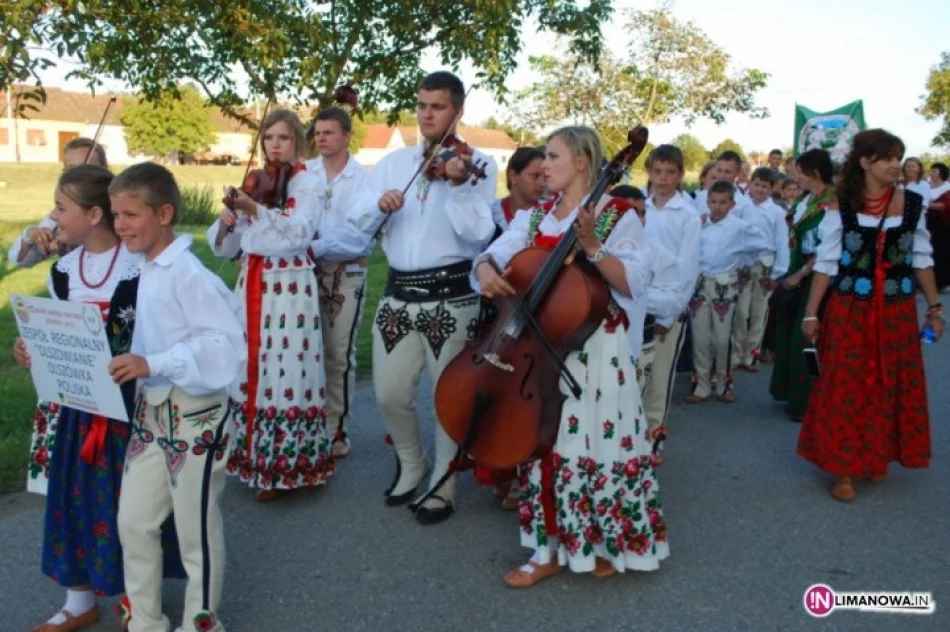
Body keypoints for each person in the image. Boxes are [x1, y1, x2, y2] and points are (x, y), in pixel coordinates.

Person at [473, 125, 668, 588]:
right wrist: (483, 269)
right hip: (539, 349)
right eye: (544, 157)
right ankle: (547, 550)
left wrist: (593, 247)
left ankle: (605, 542)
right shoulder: (535, 217)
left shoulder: (617, 214)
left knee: (598, 445)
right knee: (544, 444)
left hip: (596, 349)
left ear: (581, 162)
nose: (544, 165)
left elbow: (633, 283)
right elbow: (493, 254)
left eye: (553, 156)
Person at [13, 165, 182, 632]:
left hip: (132, 405)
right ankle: (79, 597)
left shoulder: (140, 267)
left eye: (60, 208)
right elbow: (56, 331)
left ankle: (136, 594)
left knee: (133, 503)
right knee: (74, 495)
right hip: (77, 406)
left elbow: (162, 330)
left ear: (92, 215)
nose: (53, 217)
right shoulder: (63, 272)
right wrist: (32, 347)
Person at [348, 71, 498, 525]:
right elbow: (357, 219)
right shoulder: (394, 163)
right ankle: (412, 463)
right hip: (398, 294)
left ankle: (443, 482)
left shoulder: (478, 165)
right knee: (389, 394)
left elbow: (478, 234)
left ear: (458, 111)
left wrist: (458, 187)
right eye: (422, 105)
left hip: (451, 295)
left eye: (437, 107)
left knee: (447, 398)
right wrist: (378, 205)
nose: (427, 114)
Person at [106, 162, 245, 632]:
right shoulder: (141, 267)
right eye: (116, 215)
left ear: (164, 214)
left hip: (197, 413)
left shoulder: (189, 273)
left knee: (194, 528)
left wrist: (155, 362)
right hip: (152, 411)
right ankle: (145, 620)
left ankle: (200, 623)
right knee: (133, 519)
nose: (121, 225)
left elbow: (225, 345)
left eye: (131, 215)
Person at [797, 129, 942, 501]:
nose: (896, 165)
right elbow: (826, 264)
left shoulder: (913, 204)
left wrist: (935, 309)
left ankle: (875, 454)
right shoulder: (840, 206)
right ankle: (844, 467)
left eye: (898, 158)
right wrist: (811, 314)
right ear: (865, 162)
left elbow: (921, 259)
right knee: (846, 384)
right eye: (888, 158)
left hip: (896, 311)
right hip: (850, 309)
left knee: (887, 384)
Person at [208, 108, 335, 501]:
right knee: (251, 362)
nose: (274, 145)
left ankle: (287, 464)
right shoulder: (259, 182)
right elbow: (226, 247)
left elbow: (299, 233)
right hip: (252, 278)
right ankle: (252, 456)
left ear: (298, 141)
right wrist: (229, 220)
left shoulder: (308, 182)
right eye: (268, 138)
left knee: (285, 366)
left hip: (288, 284)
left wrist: (255, 210)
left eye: (283, 137)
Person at [304, 106, 374, 459]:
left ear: (347, 136)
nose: (321, 138)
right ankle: (306, 424)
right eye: (318, 132)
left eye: (329, 132)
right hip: (305, 273)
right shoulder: (304, 173)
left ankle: (336, 428)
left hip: (345, 274)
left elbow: (358, 237)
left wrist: (311, 247)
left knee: (337, 354)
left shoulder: (364, 180)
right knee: (303, 351)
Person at [638, 145, 701, 462]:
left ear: (681, 175)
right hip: (638, 302)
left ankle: (654, 437)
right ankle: (630, 437)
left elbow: (688, 269)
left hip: (668, 307)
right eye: (658, 171)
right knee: (636, 373)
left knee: (659, 376)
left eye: (670, 172)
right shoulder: (640, 208)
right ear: (649, 172)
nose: (663, 178)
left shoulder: (688, 215)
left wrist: (670, 314)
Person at [687, 181, 771, 403]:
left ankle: (723, 383)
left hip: (725, 286)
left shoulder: (740, 227)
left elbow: (763, 245)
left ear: (732, 204)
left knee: (723, 339)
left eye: (723, 202)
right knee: (700, 337)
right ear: (707, 202)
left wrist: (741, 263)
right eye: (713, 202)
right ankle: (701, 384)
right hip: (700, 284)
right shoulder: (699, 224)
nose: (717, 207)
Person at [769, 149, 835, 421]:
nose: (796, 176)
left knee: (808, 339)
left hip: (816, 277)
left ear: (815, 173)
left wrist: (801, 273)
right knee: (790, 337)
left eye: (800, 172)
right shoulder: (806, 199)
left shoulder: (832, 204)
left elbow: (829, 248)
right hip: (795, 271)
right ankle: (791, 391)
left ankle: (810, 398)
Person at [10, 138, 108, 268]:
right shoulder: (63, 212)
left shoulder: (116, 207)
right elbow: (22, 260)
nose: (80, 175)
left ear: (104, 170)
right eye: (72, 169)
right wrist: (31, 235)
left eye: (88, 168)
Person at [731, 167, 790, 371]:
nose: (760, 189)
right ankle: (736, 354)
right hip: (744, 264)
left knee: (759, 311)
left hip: (765, 265)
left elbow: (782, 242)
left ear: (772, 189)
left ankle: (752, 355)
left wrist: (778, 272)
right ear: (750, 185)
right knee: (740, 311)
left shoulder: (777, 212)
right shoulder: (741, 207)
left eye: (765, 186)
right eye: (756, 185)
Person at [490, 146, 545, 236]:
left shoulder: (548, 215)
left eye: (545, 177)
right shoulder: (491, 213)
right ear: (513, 176)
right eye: (535, 176)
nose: (542, 183)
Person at [926, 162, 950, 290]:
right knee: (929, 251)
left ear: (941, 173)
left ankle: (941, 282)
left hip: (942, 225)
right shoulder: (927, 187)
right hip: (928, 223)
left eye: (934, 171)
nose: (931, 173)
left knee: (941, 252)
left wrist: (928, 204)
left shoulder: (947, 188)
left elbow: (944, 205)